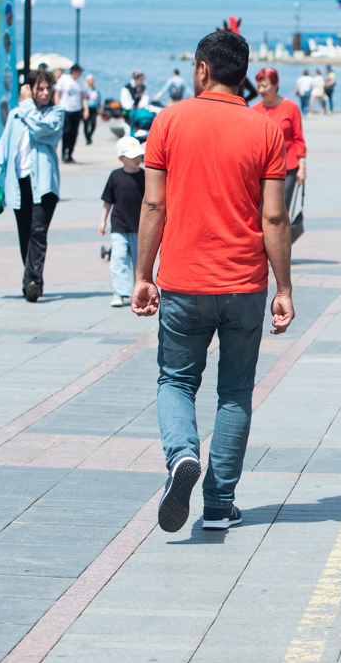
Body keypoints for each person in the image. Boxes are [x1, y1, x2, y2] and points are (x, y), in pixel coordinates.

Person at [132, 30, 295, 534]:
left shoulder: (168, 121)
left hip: (182, 281)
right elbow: (274, 218)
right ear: (243, 74)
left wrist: (142, 274)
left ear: (201, 70)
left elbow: (154, 203)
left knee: (176, 381)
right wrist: (284, 288)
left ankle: (182, 456)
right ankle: (219, 505)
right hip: (244, 284)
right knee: (235, 392)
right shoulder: (267, 130)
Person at [0, 71, 64, 302]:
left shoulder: (55, 114)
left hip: (45, 185)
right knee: (25, 234)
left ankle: (32, 282)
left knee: (38, 232)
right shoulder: (16, 115)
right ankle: (30, 277)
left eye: (48, 88)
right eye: (40, 89)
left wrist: (27, 104)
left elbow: (42, 130)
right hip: (19, 183)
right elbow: (4, 145)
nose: (45, 93)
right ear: (29, 89)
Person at [99, 136, 146, 308]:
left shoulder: (146, 176)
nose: (137, 159)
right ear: (121, 158)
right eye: (132, 157)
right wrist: (103, 220)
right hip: (119, 226)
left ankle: (139, 292)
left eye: (139, 156)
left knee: (139, 262)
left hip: (140, 228)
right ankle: (119, 292)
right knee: (118, 260)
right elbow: (108, 200)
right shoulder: (115, 176)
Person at [252, 67, 307, 211]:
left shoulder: (291, 107)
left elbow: (298, 139)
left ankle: (281, 234)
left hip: (287, 168)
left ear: (276, 85)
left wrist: (302, 167)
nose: (261, 90)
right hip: (260, 169)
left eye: (265, 86)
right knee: (259, 211)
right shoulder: (254, 110)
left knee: (280, 211)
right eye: (258, 87)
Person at [55, 63, 86, 163]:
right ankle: (64, 152)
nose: (80, 73)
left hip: (76, 109)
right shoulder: (64, 79)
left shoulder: (80, 81)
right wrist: (57, 107)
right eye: (79, 71)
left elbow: (83, 96)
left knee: (74, 133)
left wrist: (86, 109)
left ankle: (70, 153)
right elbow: (57, 94)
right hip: (65, 108)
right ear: (73, 71)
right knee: (67, 132)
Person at [83, 74, 100, 145]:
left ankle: (89, 136)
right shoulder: (85, 90)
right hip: (86, 108)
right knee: (86, 124)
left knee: (93, 124)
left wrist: (98, 108)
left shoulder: (96, 90)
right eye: (90, 81)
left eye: (92, 80)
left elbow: (98, 99)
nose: (91, 82)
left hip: (93, 108)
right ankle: (87, 139)